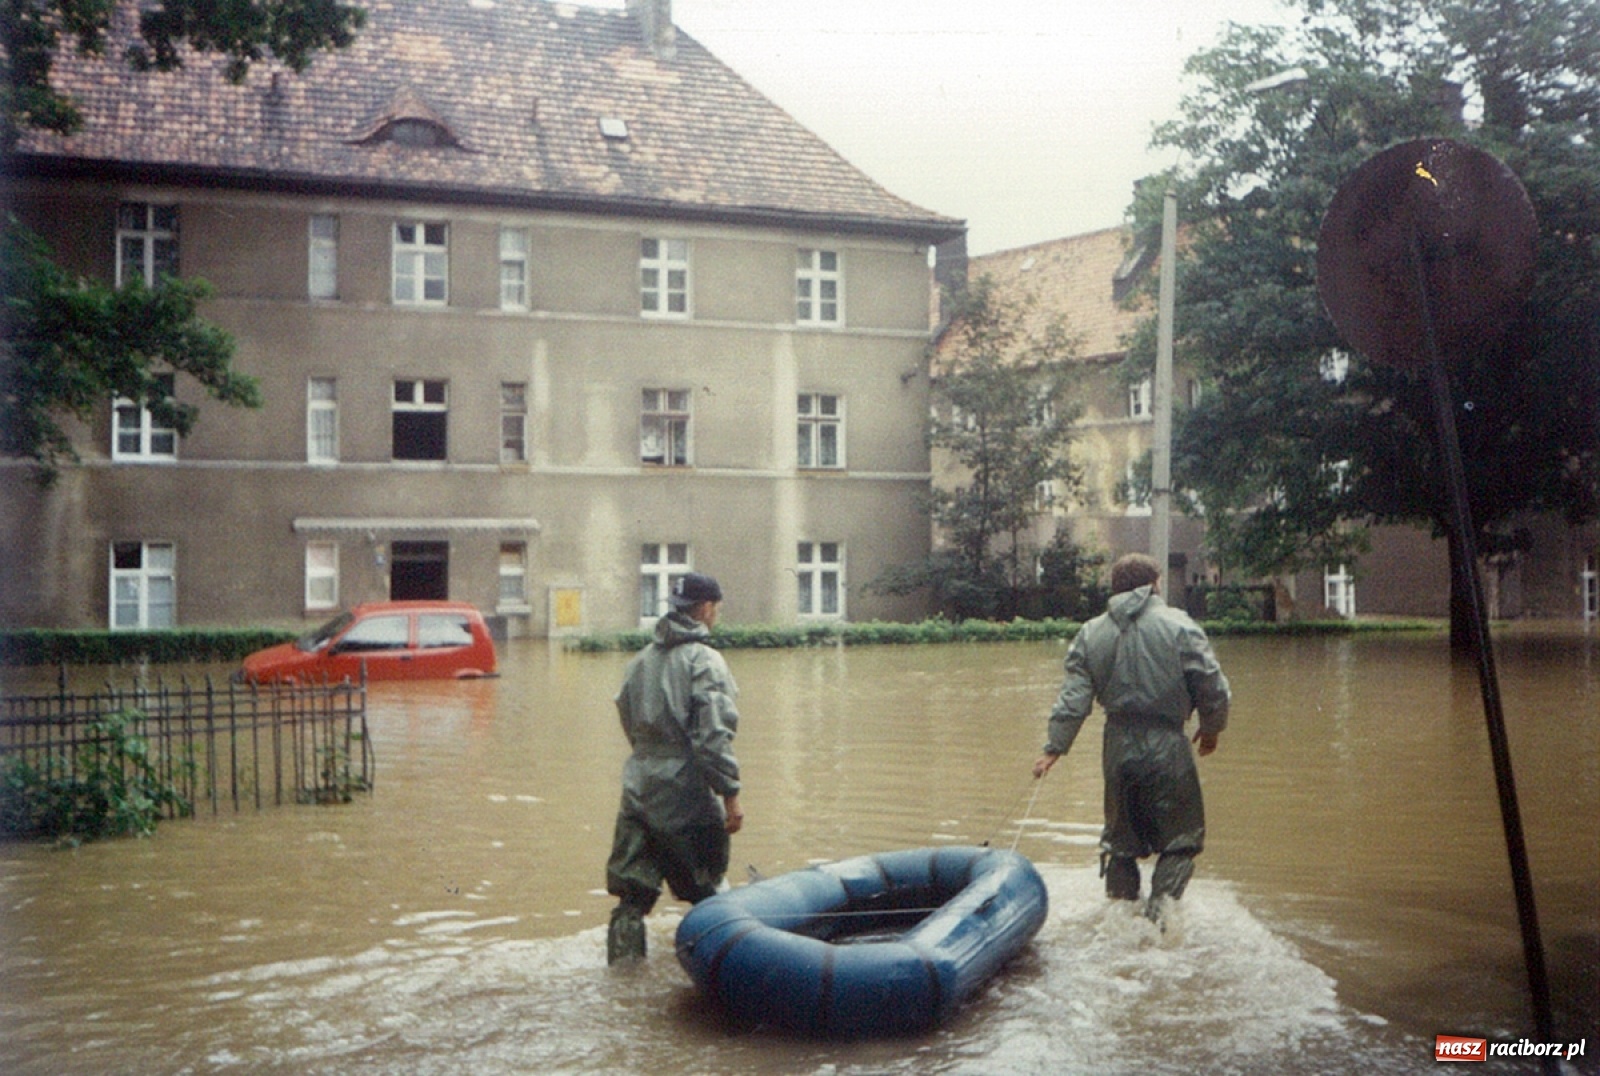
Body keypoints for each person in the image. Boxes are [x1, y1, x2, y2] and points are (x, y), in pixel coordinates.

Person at [1032, 553, 1230, 923]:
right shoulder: (1179, 625)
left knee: (1120, 844)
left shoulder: (1091, 632)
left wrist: (1053, 748)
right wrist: (1211, 728)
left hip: (1117, 745)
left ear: (1116, 588)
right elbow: (1212, 684)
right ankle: (1159, 924)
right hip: (1168, 743)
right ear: (1154, 584)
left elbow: (1073, 699)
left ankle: (1120, 922)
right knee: (1181, 841)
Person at [606, 572, 744, 963]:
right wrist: (731, 795)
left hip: (638, 786)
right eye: (716, 607)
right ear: (706, 608)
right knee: (709, 889)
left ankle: (623, 976)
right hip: (685, 792)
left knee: (631, 897)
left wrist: (651, 759)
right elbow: (712, 738)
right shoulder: (705, 660)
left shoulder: (641, 660)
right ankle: (721, 971)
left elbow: (627, 717)